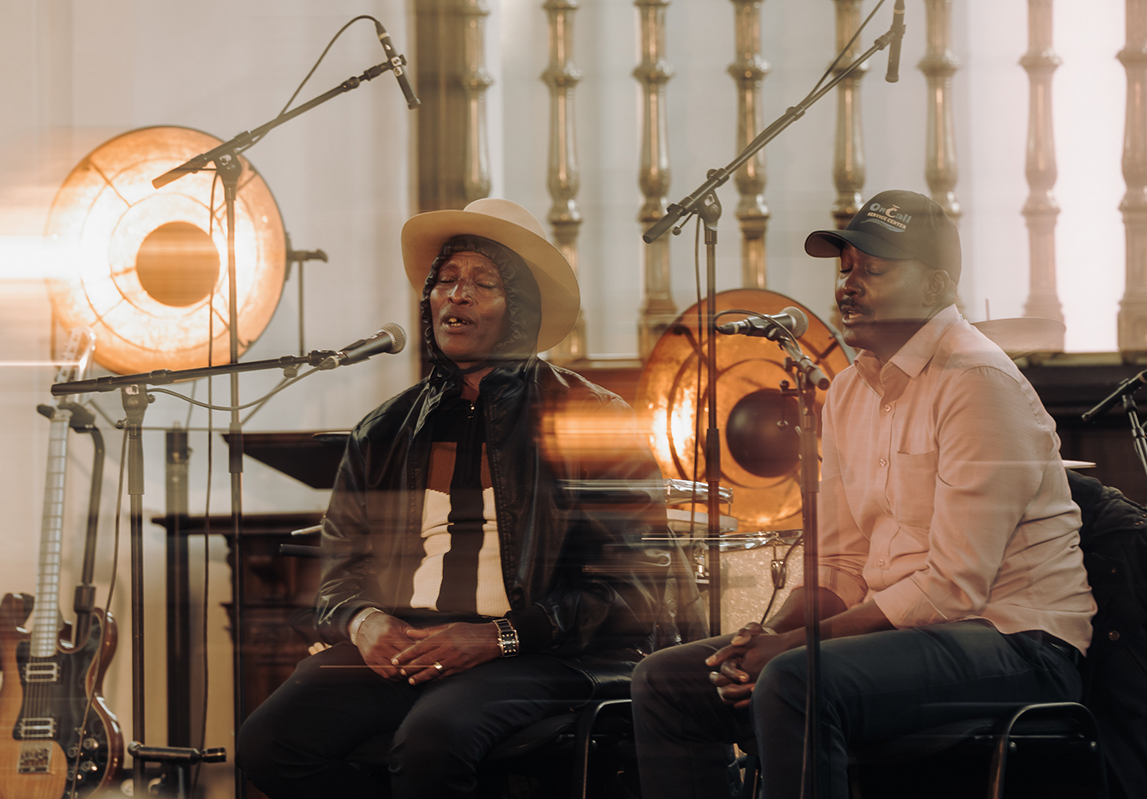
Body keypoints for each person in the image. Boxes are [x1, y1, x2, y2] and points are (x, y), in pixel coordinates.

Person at [631, 190, 1097, 799]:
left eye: (872, 270)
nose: (848, 285)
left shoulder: (977, 382)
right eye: (846, 268)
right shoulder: (850, 390)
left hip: (1014, 643)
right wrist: (767, 637)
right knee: (668, 679)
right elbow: (843, 561)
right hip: (909, 634)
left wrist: (794, 649)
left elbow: (955, 588)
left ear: (934, 288)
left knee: (796, 679)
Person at [237, 198, 690, 799]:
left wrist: (500, 636)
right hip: (410, 647)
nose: (458, 295)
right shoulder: (383, 430)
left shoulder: (591, 417)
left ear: (521, 309)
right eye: (446, 281)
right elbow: (338, 575)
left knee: (431, 741)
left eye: (483, 283)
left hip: (546, 652)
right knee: (269, 743)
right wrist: (363, 620)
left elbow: (635, 585)